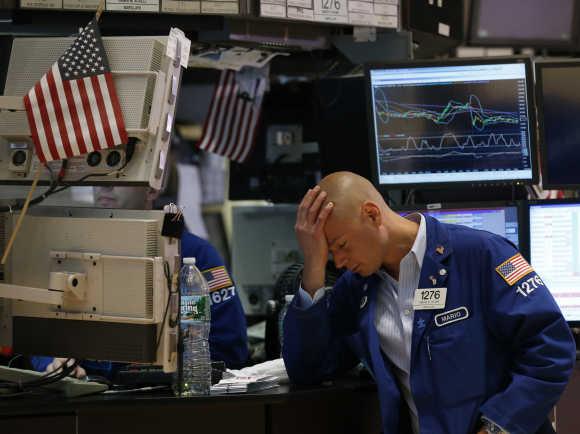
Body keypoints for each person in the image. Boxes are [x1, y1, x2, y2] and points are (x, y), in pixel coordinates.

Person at [283, 171, 575, 434]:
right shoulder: (357, 289)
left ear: (372, 214)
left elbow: (551, 351)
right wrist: (313, 266)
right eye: (330, 255)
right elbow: (307, 369)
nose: (341, 262)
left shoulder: (483, 254)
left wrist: (498, 428)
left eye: (342, 246)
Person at [31, 186, 248, 378]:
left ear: (151, 190)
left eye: (122, 175)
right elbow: (37, 331)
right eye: (101, 173)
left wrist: (136, 368)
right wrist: (51, 362)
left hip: (164, 400)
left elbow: (227, 349)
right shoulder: (70, 248)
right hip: (82, 389)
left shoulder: (193, 256)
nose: (105, 185)